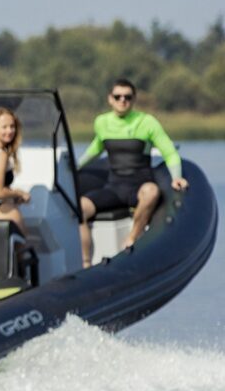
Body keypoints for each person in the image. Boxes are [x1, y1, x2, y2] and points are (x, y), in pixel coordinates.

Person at [78, 78, 189, 267]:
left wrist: (177, 177)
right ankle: (86, 263)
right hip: (113, 187)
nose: (123, 101)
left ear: (134, 99)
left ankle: (131, 239)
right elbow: (96, 148)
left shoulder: (147, 122)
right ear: (110, 99)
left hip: (139, 185)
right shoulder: (102, 122)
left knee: (152, 192)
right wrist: (75, 166)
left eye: (128, 97)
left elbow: (169, 152)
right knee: (80, 208)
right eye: (118, 96)